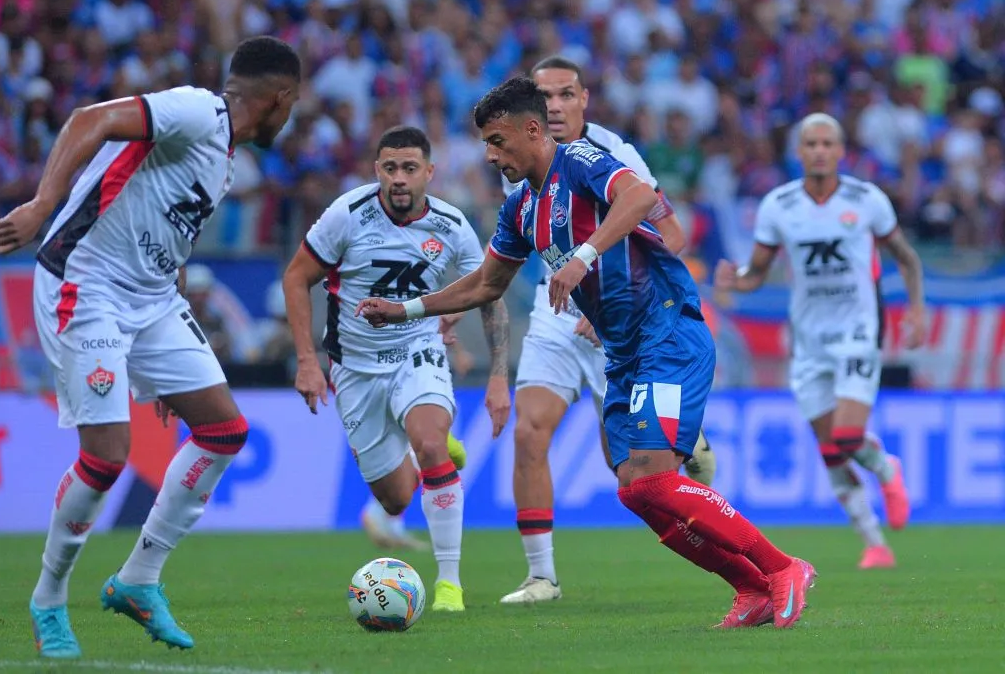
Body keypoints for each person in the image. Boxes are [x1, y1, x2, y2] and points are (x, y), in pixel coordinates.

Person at [357, 77, 816, 629]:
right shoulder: (521, 208)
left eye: (498, 140)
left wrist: (583, 254)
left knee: (653, 479)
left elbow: (641, 196)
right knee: (637, 494)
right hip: (623, 353)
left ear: (532, 129)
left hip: (666, 331)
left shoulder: (579, 160)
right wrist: (405, 310)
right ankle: (750, 588)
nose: (490, 154)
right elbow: (484, 285)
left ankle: (783, 567)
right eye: (485, 143)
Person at [0, 36, 301, 658]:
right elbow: (90, 119)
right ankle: (48, 598)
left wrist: (161, 373)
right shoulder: (197, 111)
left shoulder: (224, 157)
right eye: (291, 108)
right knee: (106, 455)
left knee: (222, 430)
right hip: (87, 282)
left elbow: (165, 230)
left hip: (152, 298)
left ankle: (138, 579)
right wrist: (45, 201)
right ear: (280, 99)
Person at [498, 55, 716, 605]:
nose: (553, 106)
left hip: (617, 317)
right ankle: (540, 575)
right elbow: (502, 255)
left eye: (565, 94)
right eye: (543, 96)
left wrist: (619, 294)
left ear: (584, 99)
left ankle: (686, 456)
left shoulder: (614, 154)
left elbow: (672, 232)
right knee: (530, 431)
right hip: (556, 311)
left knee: (625, 470)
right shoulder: (518, 156)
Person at [282, 125, 511, 612]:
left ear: (429, 172)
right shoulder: (346, 215)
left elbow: (488, 290)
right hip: (355, 368)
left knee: (429, 446)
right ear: (376, 171)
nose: (399, 178)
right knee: (394, 500)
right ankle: (429, 444)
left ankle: (450, 585)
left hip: (417, 350)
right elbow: (297, 277)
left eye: (410, 168)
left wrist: (497, 373)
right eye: (390, 168)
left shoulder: (451, 225)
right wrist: (307, 360)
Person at [714, 113, 923, 569]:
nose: (820, 150)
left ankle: (886, 469)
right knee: (830, 450)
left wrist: (918, 311)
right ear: (800, 151)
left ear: (841, 149)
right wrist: (736, 279)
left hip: (858, 330)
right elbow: (758, 274)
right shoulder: (779, 205)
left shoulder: (867, 200)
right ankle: (874, 542)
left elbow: (906, 258)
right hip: (807, 339)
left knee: (846, 436)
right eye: (811, 143)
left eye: (828, 142)